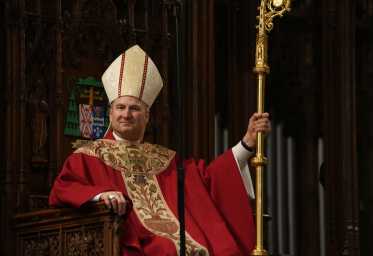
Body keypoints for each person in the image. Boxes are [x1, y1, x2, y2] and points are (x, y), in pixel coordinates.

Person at [49, 45, 271, 255]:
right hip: (129, 240)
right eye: (120, 107)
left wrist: (247, 143)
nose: (126, 114)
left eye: (134, 108)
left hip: (179, 241)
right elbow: (64, 188)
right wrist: (99, 196)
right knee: (166, 248)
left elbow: (209, 179)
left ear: (147, 116)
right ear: (110, 113)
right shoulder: (88, 156)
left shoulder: (164, 160)